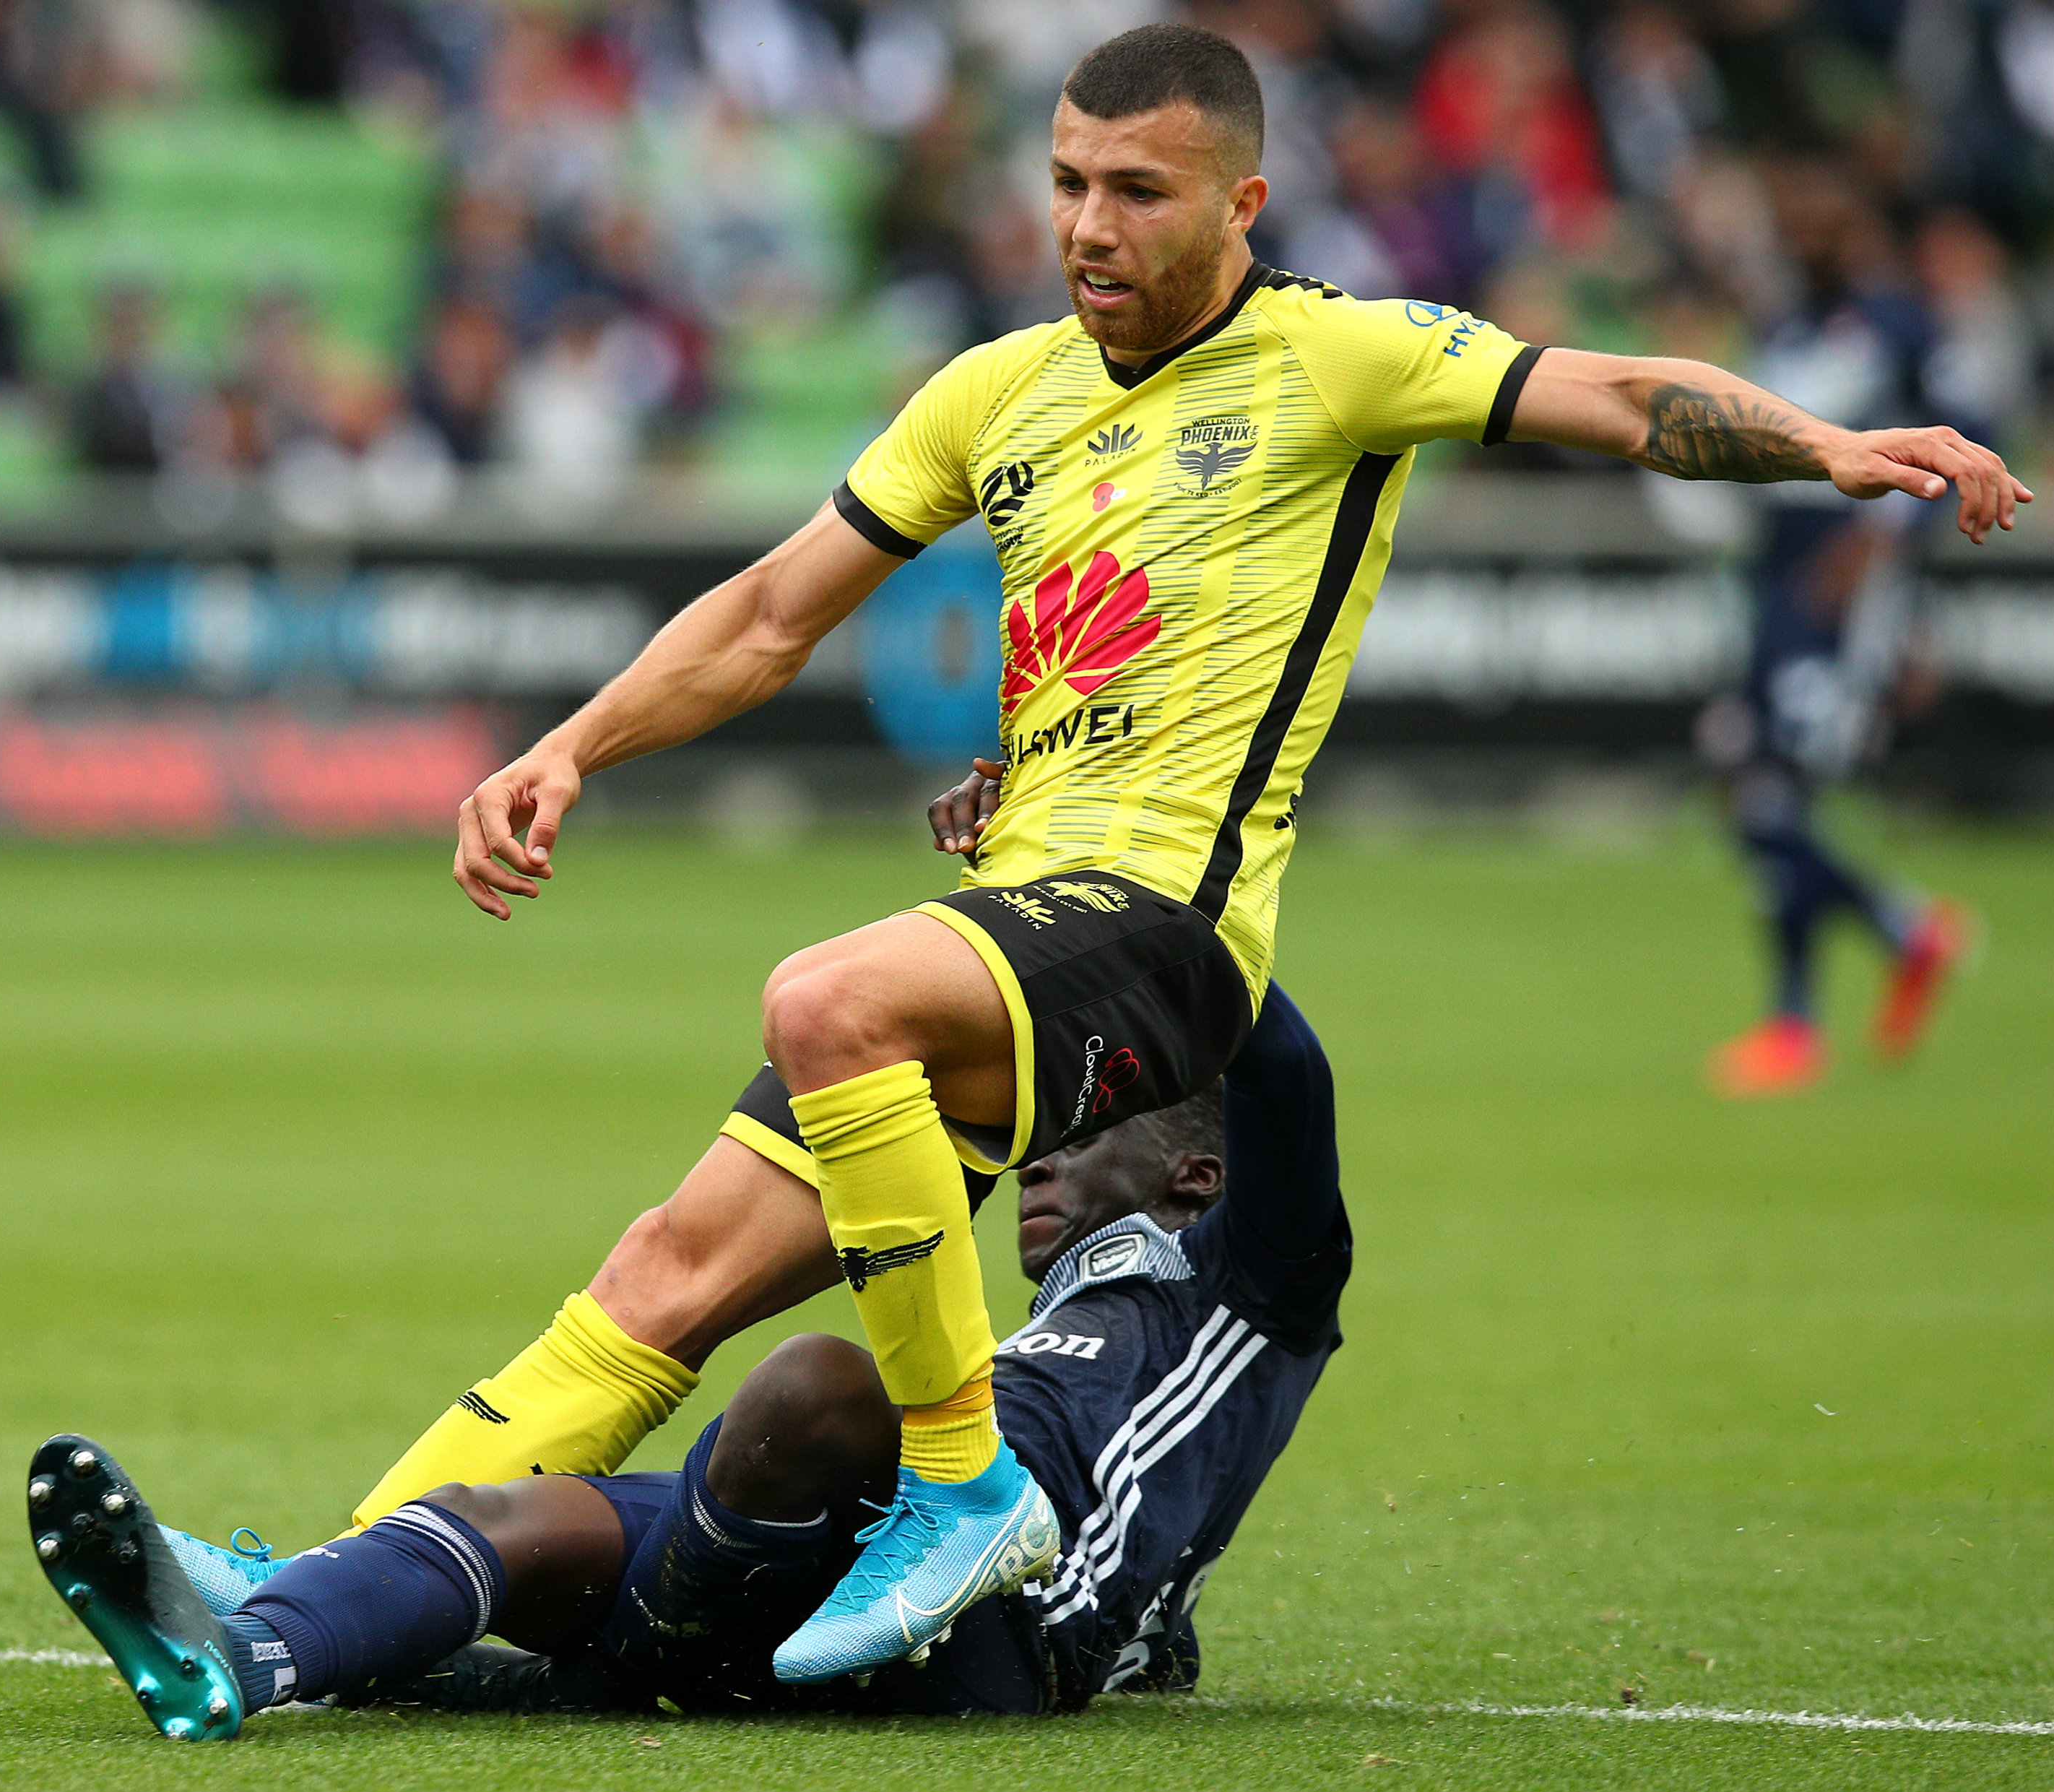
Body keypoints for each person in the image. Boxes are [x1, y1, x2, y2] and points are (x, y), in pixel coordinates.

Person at [417, 20, 2027, 1684]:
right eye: (1062, 183)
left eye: (1135, 190)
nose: (1087, 226)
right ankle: (326, 1586)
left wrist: (1828, 449)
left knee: (828, 1000)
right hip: (1016, 918)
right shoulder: (995, 389)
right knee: (664, 1267)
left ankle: (961, 1484)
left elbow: (1611, 391)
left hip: (1162, 932)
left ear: (1242, 199)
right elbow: (766, 615)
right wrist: (564, 744)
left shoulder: (1338, 357)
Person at [25, 982, 1347, 1736]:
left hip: (1000, 1622)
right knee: (506, 1513)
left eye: (1086, 1126)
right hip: (868, 1541)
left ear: (1197, 1171)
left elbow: (1288, 1069)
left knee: (808, 1383)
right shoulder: (1056, 1306)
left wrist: (1160, 912)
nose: (1036, 1156)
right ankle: (244, 1655)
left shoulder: (1254, 1274)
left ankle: (606, 1667)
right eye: (1041, 1136)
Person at [1698, 162, 1982, 1098]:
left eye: (1825, 220)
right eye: (1796, 223)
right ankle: (1896, 938)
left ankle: (1798, 1017)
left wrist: (1888, 560)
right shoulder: (1780, 331)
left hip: (1839, 602)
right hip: (1773, 591)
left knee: (1769, 796)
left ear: (1857, 230)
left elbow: (1966, 438)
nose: (1807, 238)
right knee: (1754, 794)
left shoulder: (1898, 327)